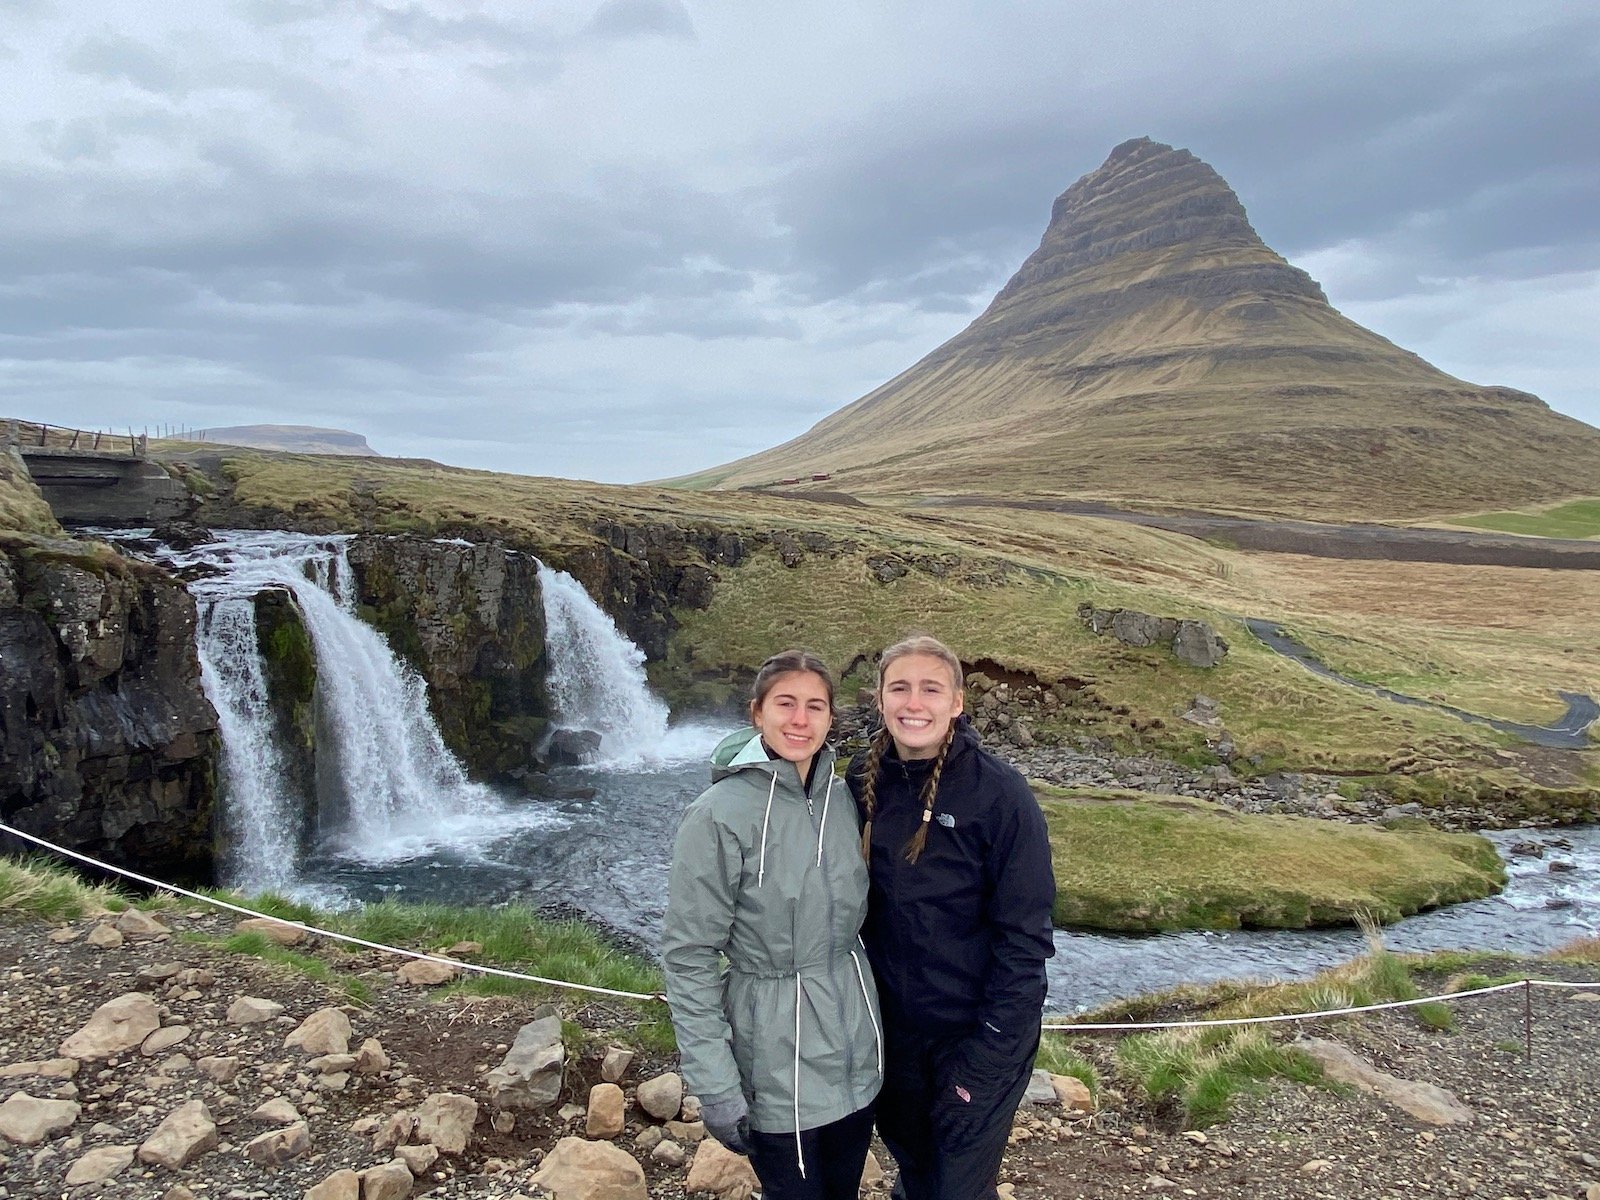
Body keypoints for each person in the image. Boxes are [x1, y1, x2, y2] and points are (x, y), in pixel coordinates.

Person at [662, 650, 884, 1200]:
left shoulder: (845, 795)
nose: (800, 720)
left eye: (816, 706)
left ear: (833, 718)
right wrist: (714, 1084)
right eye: (785, 704)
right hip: (774, 1061)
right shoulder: (716, 815)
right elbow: (689, 956)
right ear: (756, 712)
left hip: (857, 1043)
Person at [847, 635, 1056, 1200]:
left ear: (957, 703)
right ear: (881, 700)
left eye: (931, 689)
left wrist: (986, 1059)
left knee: (957, 1187)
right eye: (900, 688)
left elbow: (1025, 943)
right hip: (892, 1034)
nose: (914, 703)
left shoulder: (1001, 795)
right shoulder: (861, 784)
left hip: (977, 1035)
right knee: (916, 1173)